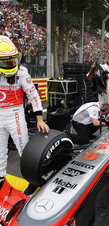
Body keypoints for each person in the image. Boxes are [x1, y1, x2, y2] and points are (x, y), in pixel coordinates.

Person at [0, 35, 49, 182]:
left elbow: (34, 95)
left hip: (15, 115)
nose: (10, 64)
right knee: (0, 153)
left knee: (25, 152)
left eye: (12, 60)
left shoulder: (22, 73)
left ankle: (37, 179)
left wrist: (39, 118)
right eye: (6, 62)